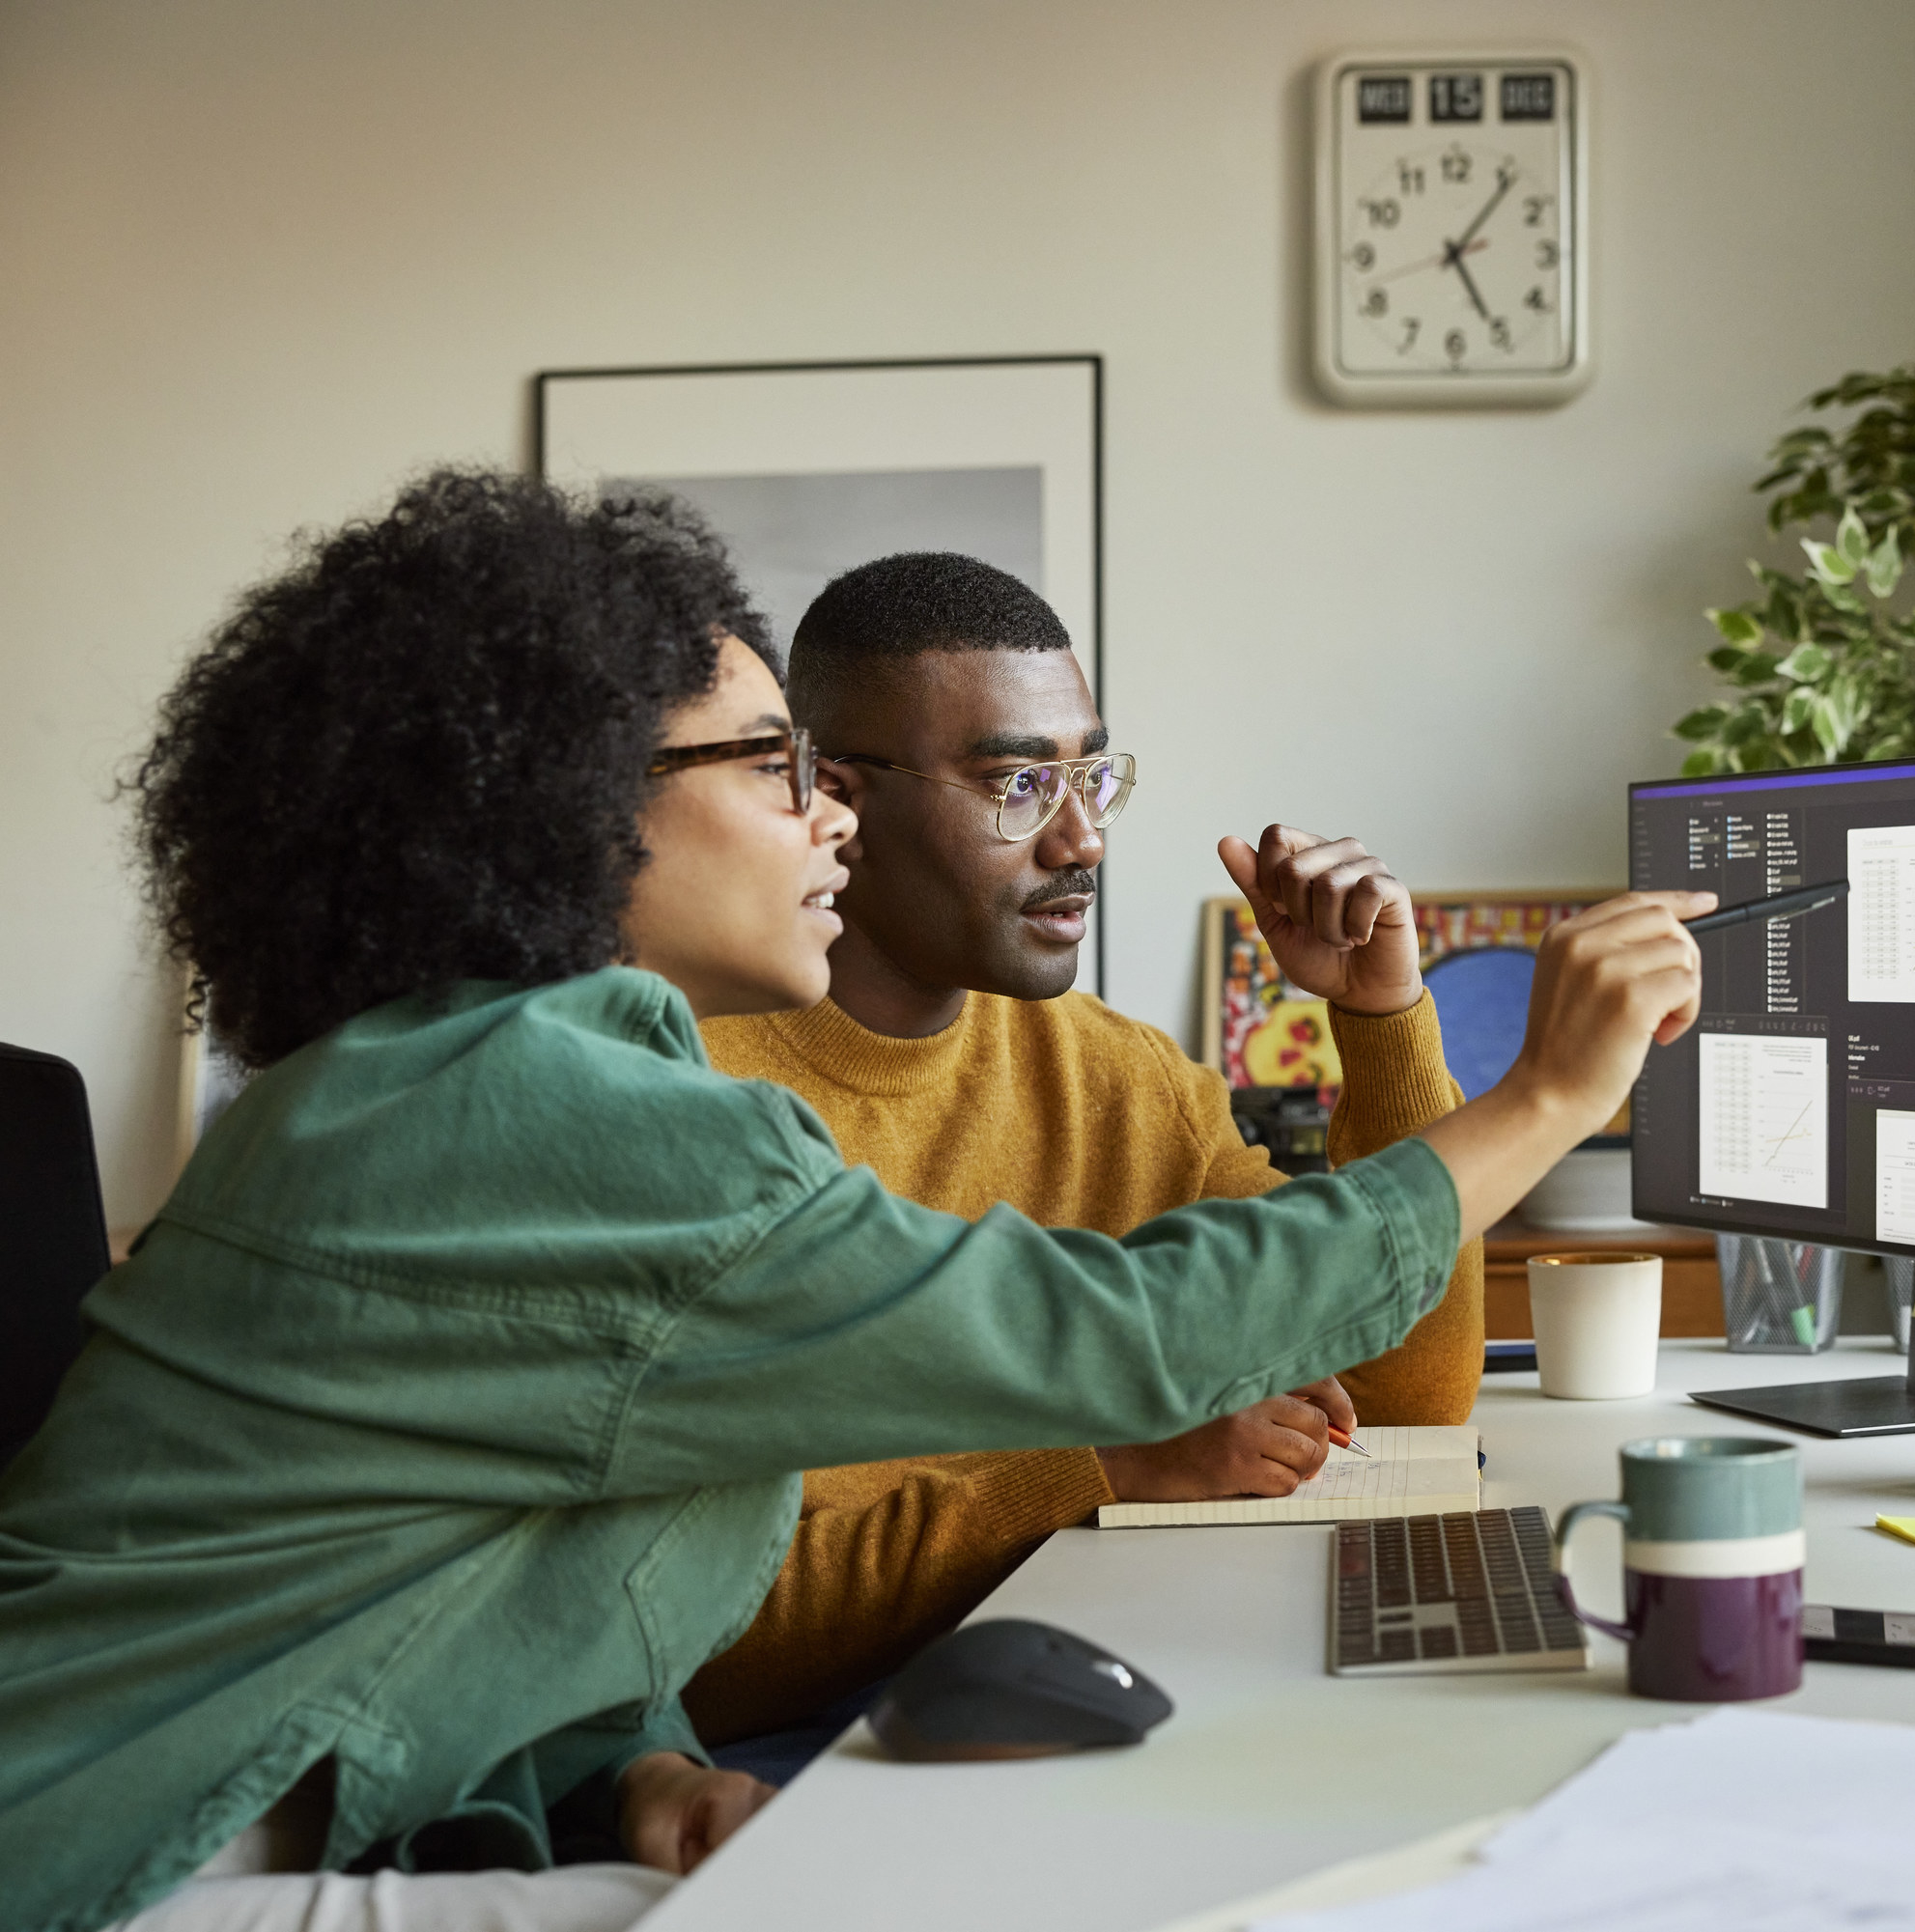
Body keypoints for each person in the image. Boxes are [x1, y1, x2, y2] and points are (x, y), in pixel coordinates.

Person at [0, 470, 1708, 1932]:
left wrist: (638, 1779)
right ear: (578, 804)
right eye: (772, 767)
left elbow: (487, 1581)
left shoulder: (463, 1077)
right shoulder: (540, 1107)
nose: (823, 816)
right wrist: (1547, 1097)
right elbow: (1123, 1334)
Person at [679, 554, 1482, 1743]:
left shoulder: (1118, 1076)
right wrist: (1111, 1468)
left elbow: (1405, 1395)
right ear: (835, 799)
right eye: (1016, 785)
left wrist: (1380, 1023)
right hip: (806, 1745)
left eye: (1091, 777)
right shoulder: (680, 1094)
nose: (1082, 841)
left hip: (1080, 1654)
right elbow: (700, 1643)